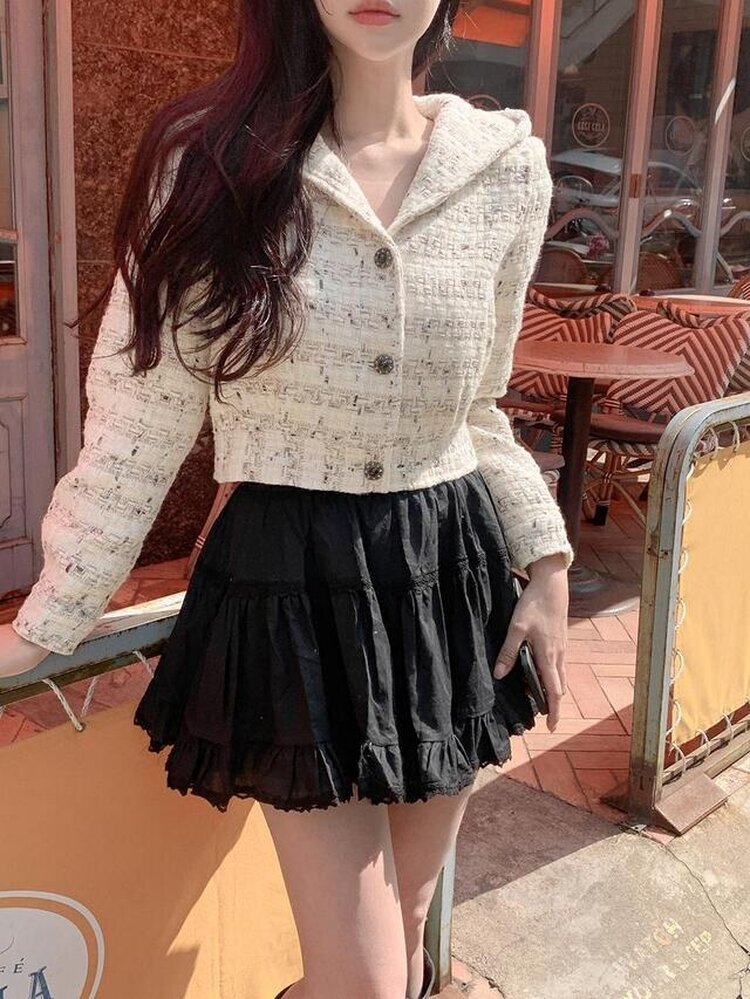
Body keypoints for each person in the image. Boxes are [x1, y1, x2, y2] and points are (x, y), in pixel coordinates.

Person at [0, 1, 573, 996]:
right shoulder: (211, 161)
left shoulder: (505, 171)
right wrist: (49, 616)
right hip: (289, 584)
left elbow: (480, 405)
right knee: (367, 981)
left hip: (447, 580)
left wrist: (550, 557)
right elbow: (141, 411)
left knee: (404, 937)